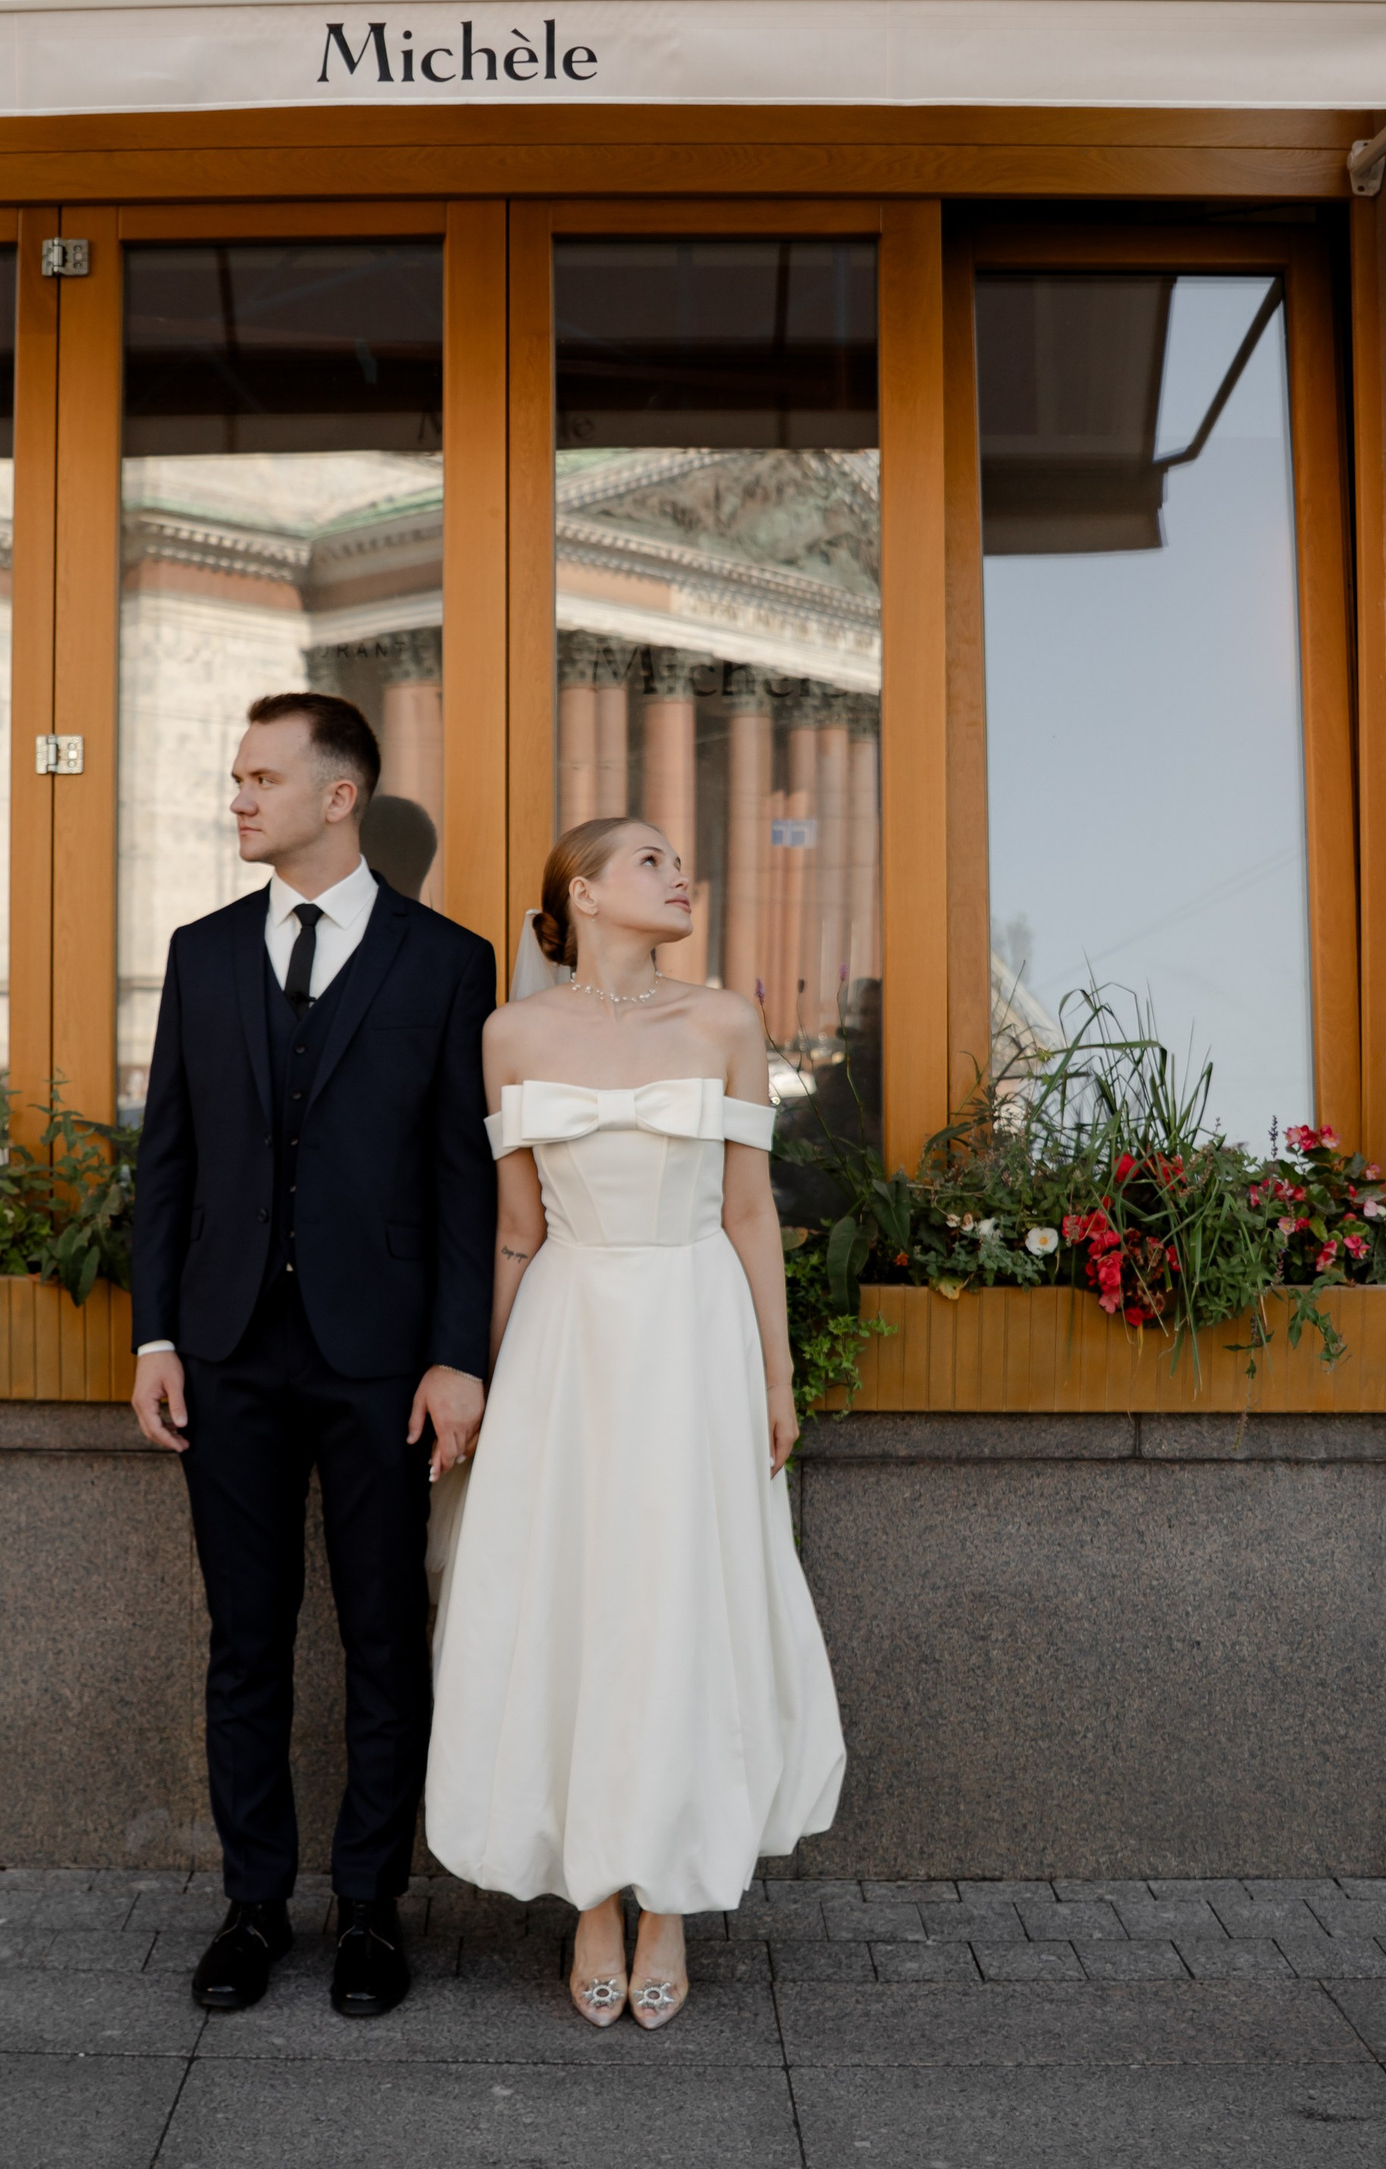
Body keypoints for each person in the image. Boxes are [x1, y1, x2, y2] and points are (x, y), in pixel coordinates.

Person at [424, 817, 847, 2029]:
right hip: (567, 1333)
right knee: (577, 1600)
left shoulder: (720, 1019)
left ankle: (669, 1895)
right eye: (654, 861)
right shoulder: (510, 1033)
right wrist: (489, 1383)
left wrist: (773, 1376)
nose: (682, 876)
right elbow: (518, 1227)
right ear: (586, 892)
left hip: (692, 1324)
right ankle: (591, 1896)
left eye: (679, 859)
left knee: (678, 1599)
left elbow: (752, 1212)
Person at [131, 692, 496, 2019]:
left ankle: (370, 1910)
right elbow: (164, 1159)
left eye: (260, 778)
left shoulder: (447, 964)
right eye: (236, 776)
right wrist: (156, 1330)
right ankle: (251, 1904)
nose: (238, 797)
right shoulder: (203, 951)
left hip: (382, 1362)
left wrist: (459, 1357)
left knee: (387, 1635)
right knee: (247, 1637)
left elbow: (466, 1183)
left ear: (339, 797)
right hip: (224, 1350)